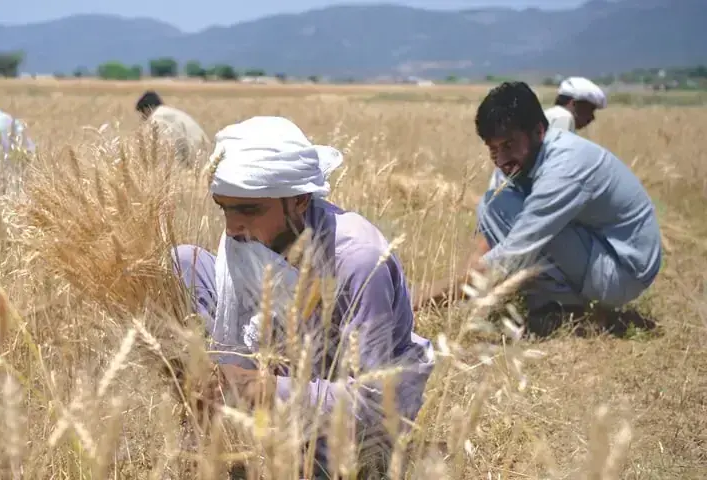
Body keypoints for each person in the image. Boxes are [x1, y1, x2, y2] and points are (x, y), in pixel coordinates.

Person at [171, 116, 434, 477]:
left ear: (299, 200)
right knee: (183, 264)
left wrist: (257, 388)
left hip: (343, 411)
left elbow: (372, 402)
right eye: (225, 208)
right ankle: (207, 418)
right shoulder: (251, 236)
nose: (232, 227)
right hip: (284, 367)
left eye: (249, 209)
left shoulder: (357, 260)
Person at [415, 82, 662, 335]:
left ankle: (566, 309)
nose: (501, 160)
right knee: (494, 203)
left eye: (508, 146)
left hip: (622, 271)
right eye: (493, 150)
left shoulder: (564, 169)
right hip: (597, 249)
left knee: (516, 229)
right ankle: (553, 301)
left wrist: (421, 300)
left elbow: (511, 254)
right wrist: (460, 280)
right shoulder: (526, 158)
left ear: (539, 131)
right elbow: (489, 238)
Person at [487, 76, 606, 191]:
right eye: (590, 110)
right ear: (574, 104)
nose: (592, 117)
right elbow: (558, 168)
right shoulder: (563, 117)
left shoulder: (551, 115)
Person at [135, 91, 210, 164]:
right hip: (204, 155)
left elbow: (167, 150)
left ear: (147, 108)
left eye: (142, 113)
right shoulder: (170, 113)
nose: (142, 118)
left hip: (194, 159)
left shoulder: (157, 118)